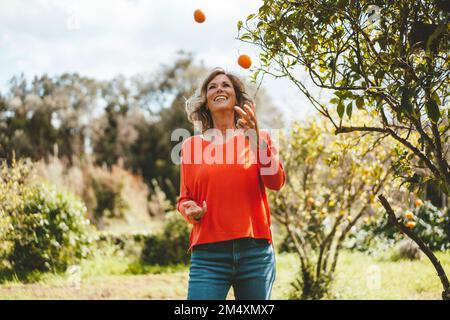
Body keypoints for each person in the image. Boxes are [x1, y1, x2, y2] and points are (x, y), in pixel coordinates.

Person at [177, 68, 286, 300]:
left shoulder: (258, 137)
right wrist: (190, 210)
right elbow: (184, 198)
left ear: (236, 96)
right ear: (206, 101)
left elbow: (276, 182)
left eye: (226, 85)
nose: (219, 89)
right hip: (208, 256)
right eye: (212, 87)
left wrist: (255, 138)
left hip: (255, 254)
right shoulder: (190, 147)